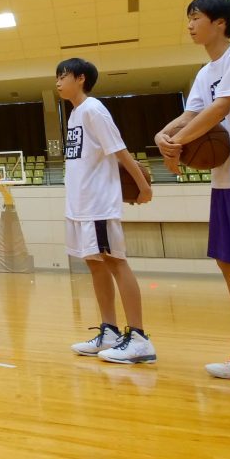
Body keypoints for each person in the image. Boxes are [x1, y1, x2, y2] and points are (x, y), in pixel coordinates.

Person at [156, 0, 230, 387]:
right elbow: (193, 110)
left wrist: (179, 141)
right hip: (227, 177)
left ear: (220, 23)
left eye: (195, 17)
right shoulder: (206, 70)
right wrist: (165, 133)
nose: (189, 24)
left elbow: (221, 108)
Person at [57, 57, 155, 364]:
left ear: (81, 78)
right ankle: (110, 331)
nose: (58, 81)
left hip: (98, 204)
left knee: (115, 263)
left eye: (63, 76)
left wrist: (144, 187)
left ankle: (139, 337)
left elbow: (120, 151)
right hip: (81, 206)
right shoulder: (74, 115)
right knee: (95, 265)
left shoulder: (94, 110)